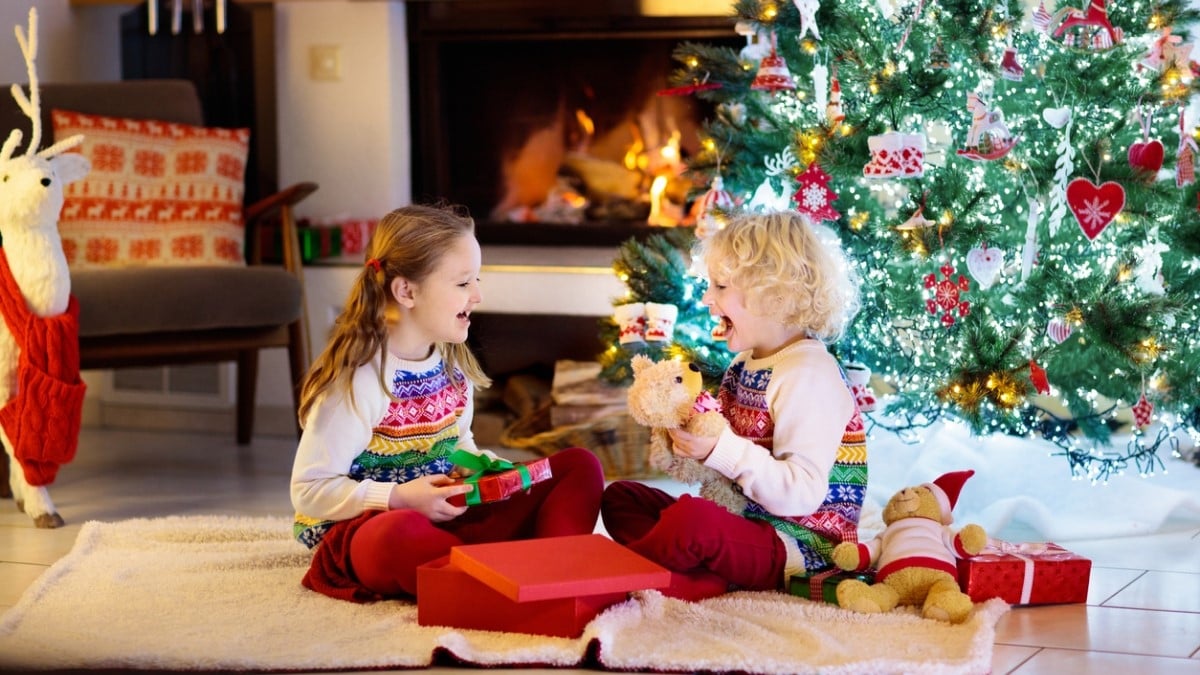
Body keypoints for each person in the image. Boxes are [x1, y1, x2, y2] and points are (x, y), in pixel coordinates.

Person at [290, 203, 604, 602]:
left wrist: (485, 470)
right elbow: (310, 490)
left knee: (579, 466)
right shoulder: (359, 381)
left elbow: (456, 445)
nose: (477, 295)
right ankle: (495, 583)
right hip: (368, 528)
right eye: (462, 283)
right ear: (406, 291)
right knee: (397, 534)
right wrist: (399, 498)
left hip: (445, 518)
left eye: (477, 279)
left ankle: (539, 573)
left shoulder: (452, 366)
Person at [601, 210, 868, 601]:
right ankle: (693, 578)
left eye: (721, 286)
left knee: (693, 523)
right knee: (622, 496)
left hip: (796, 545)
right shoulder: (745, 363)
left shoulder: (809, 373)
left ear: (776, 295)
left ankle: (624, 578)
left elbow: (803, 493)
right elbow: (719, 444)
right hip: (744, 520)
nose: (708, 298)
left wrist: (721, 451)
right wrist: (688, 435)